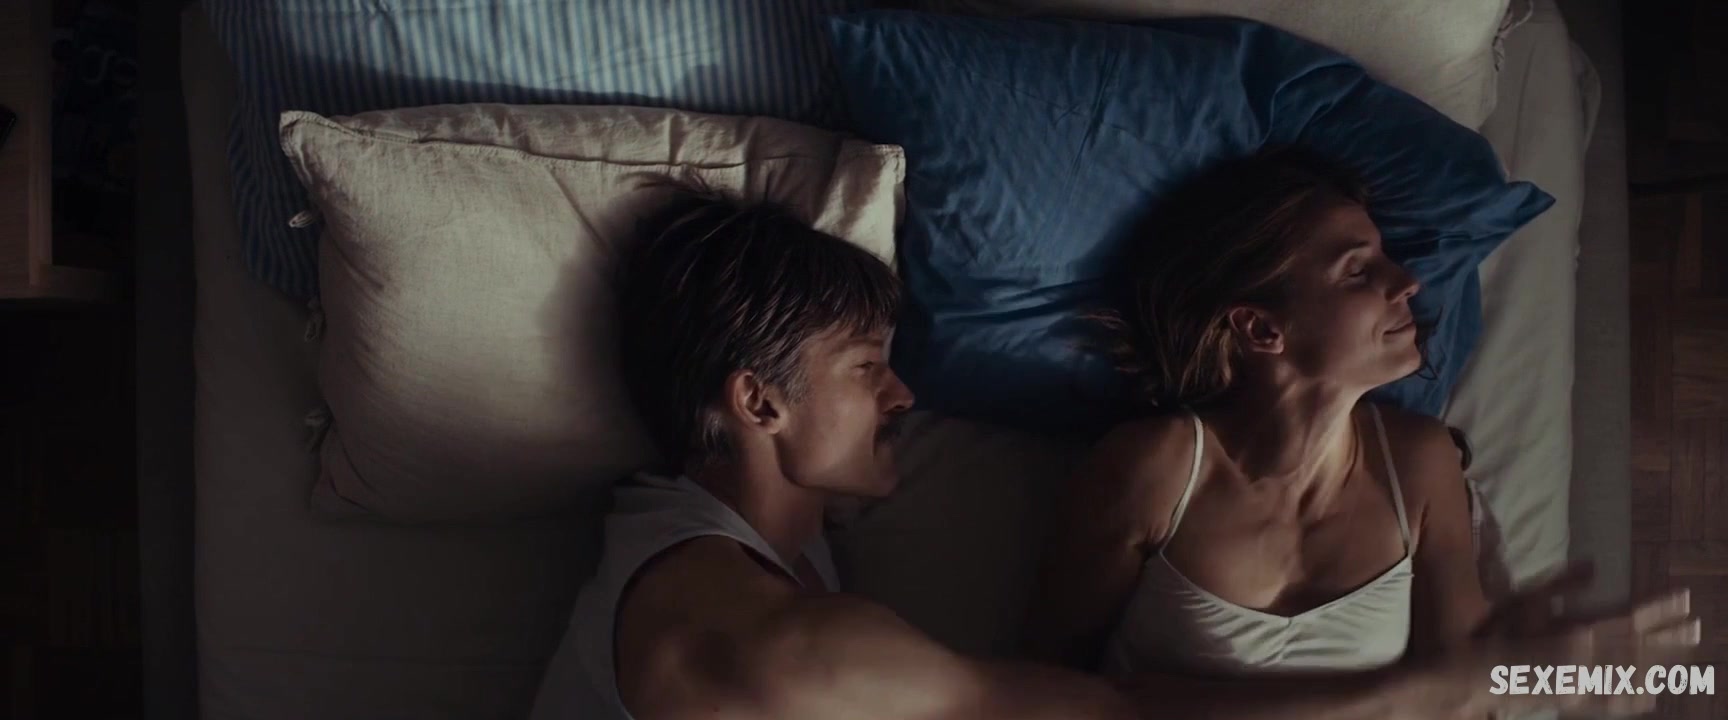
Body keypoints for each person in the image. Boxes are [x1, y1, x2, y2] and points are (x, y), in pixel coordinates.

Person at [529, 178, 1693, 720]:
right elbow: (1107, 708)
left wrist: (1574, 676)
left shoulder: (733, 559)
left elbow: (1481, 677)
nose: (905, 393)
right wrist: (1450, 684)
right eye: (865, 365)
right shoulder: (770, 644)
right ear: (758, 401)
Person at [1021, 149, 1701, 718]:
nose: (1406, 281)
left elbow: (1465, 693)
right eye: (1357, 270)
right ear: (1261, 328)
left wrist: (1534, 668)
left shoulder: (1419, 463)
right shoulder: (1155, 471)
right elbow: (1039, 693)